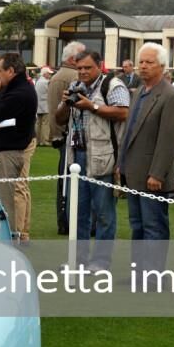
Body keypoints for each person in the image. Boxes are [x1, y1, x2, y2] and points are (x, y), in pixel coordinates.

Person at [53, 51, 129, 267]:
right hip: (77, 155)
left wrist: (91, 106)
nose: (83, 72)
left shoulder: (112, 85)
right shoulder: (76, 86)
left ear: (99, 66)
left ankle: (101, 261)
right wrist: (65, 103)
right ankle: (77, 259)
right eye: (80, 68)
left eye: (88, 67)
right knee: (78, 212)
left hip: (103, 156)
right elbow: (59, 119)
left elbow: (123, 113)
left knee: (104, 212)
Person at [118, 43, 174, 251]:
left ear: (163, 67)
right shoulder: (139, 92)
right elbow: (129, 132)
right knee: (137, 226)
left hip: (152, 177)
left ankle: (153, 277)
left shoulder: (171, 96)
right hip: (133, 173)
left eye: (149, 62)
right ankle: (139, 275)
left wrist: (157, 174)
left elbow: (168, 140)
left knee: (154, 227)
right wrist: (121, 164)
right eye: (141, 62)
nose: (143, 66)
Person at [0, 53, 38, 241]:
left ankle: (12, 236)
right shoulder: (18, 88)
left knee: (8, 197)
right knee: (14, 193)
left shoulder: (17, 92)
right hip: (12, 145)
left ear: (10, 71)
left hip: (10, 149)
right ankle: (17, 234)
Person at [48, 42, 85, 234]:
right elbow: (59, 112)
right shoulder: (72, 77)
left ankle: (64, 222)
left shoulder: (57, 76)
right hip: (69, 136)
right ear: (72, 59)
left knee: (65, 182)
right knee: (72, 183)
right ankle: (69, 222)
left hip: (61, 135)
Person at [35, 66, 53, 145]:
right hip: (45, 106)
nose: (50, 75)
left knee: (38, 124)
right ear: (45, 74)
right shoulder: (46, 82)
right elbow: (51, 93)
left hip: (38, 106)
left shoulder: (38, 81)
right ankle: (45, 141)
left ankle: (37, 140)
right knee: (45, 124)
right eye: (49, 74)